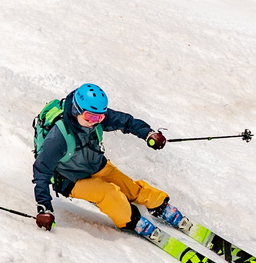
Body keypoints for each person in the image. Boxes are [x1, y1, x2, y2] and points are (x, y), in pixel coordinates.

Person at [31, 83, 181, 233]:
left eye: (99, 117)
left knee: (130, 188)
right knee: (109, 193)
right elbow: (41, 171)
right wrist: (44, 209)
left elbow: (126, 122)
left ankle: (159, 205)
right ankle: (130, 219)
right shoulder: (58, 137)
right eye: (89, 116)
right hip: (70, 180)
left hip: (97, 165)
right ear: (76, 110)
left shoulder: (96, 119)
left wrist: (148, 133)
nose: (94, 121)